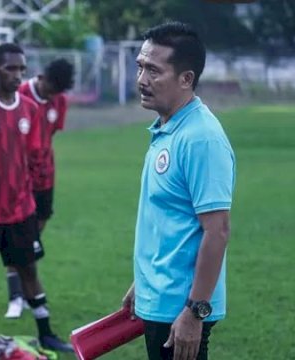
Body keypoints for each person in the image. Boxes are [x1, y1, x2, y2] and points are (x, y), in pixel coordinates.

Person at [121, 22, 235, 360]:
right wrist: (144, 279)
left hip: (181, 308)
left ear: (186, 79)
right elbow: (169, 220)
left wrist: (194, 312)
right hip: (160, 298)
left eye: (154, 71)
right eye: (140, 67)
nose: (142, 79)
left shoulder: (201, 138)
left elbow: (217, 231)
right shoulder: (168, 127)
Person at [0, 43, 72, 355]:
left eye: (21, 69)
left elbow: (35, 155)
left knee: (29, 271)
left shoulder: (30, 110)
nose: (16, 75)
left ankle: (47, 333)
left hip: (20, 211)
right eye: (10, 68)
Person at [5, 58, 75, 319]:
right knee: (18, 235)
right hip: (18, 176)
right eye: (50, 89)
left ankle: (24, 288)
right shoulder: (20, 94)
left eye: (57, 93)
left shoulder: (60, 101)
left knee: (35, 232)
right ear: (42, 77)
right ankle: (15, 296)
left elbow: (50, 134)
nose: (51, 96)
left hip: (45, 175)